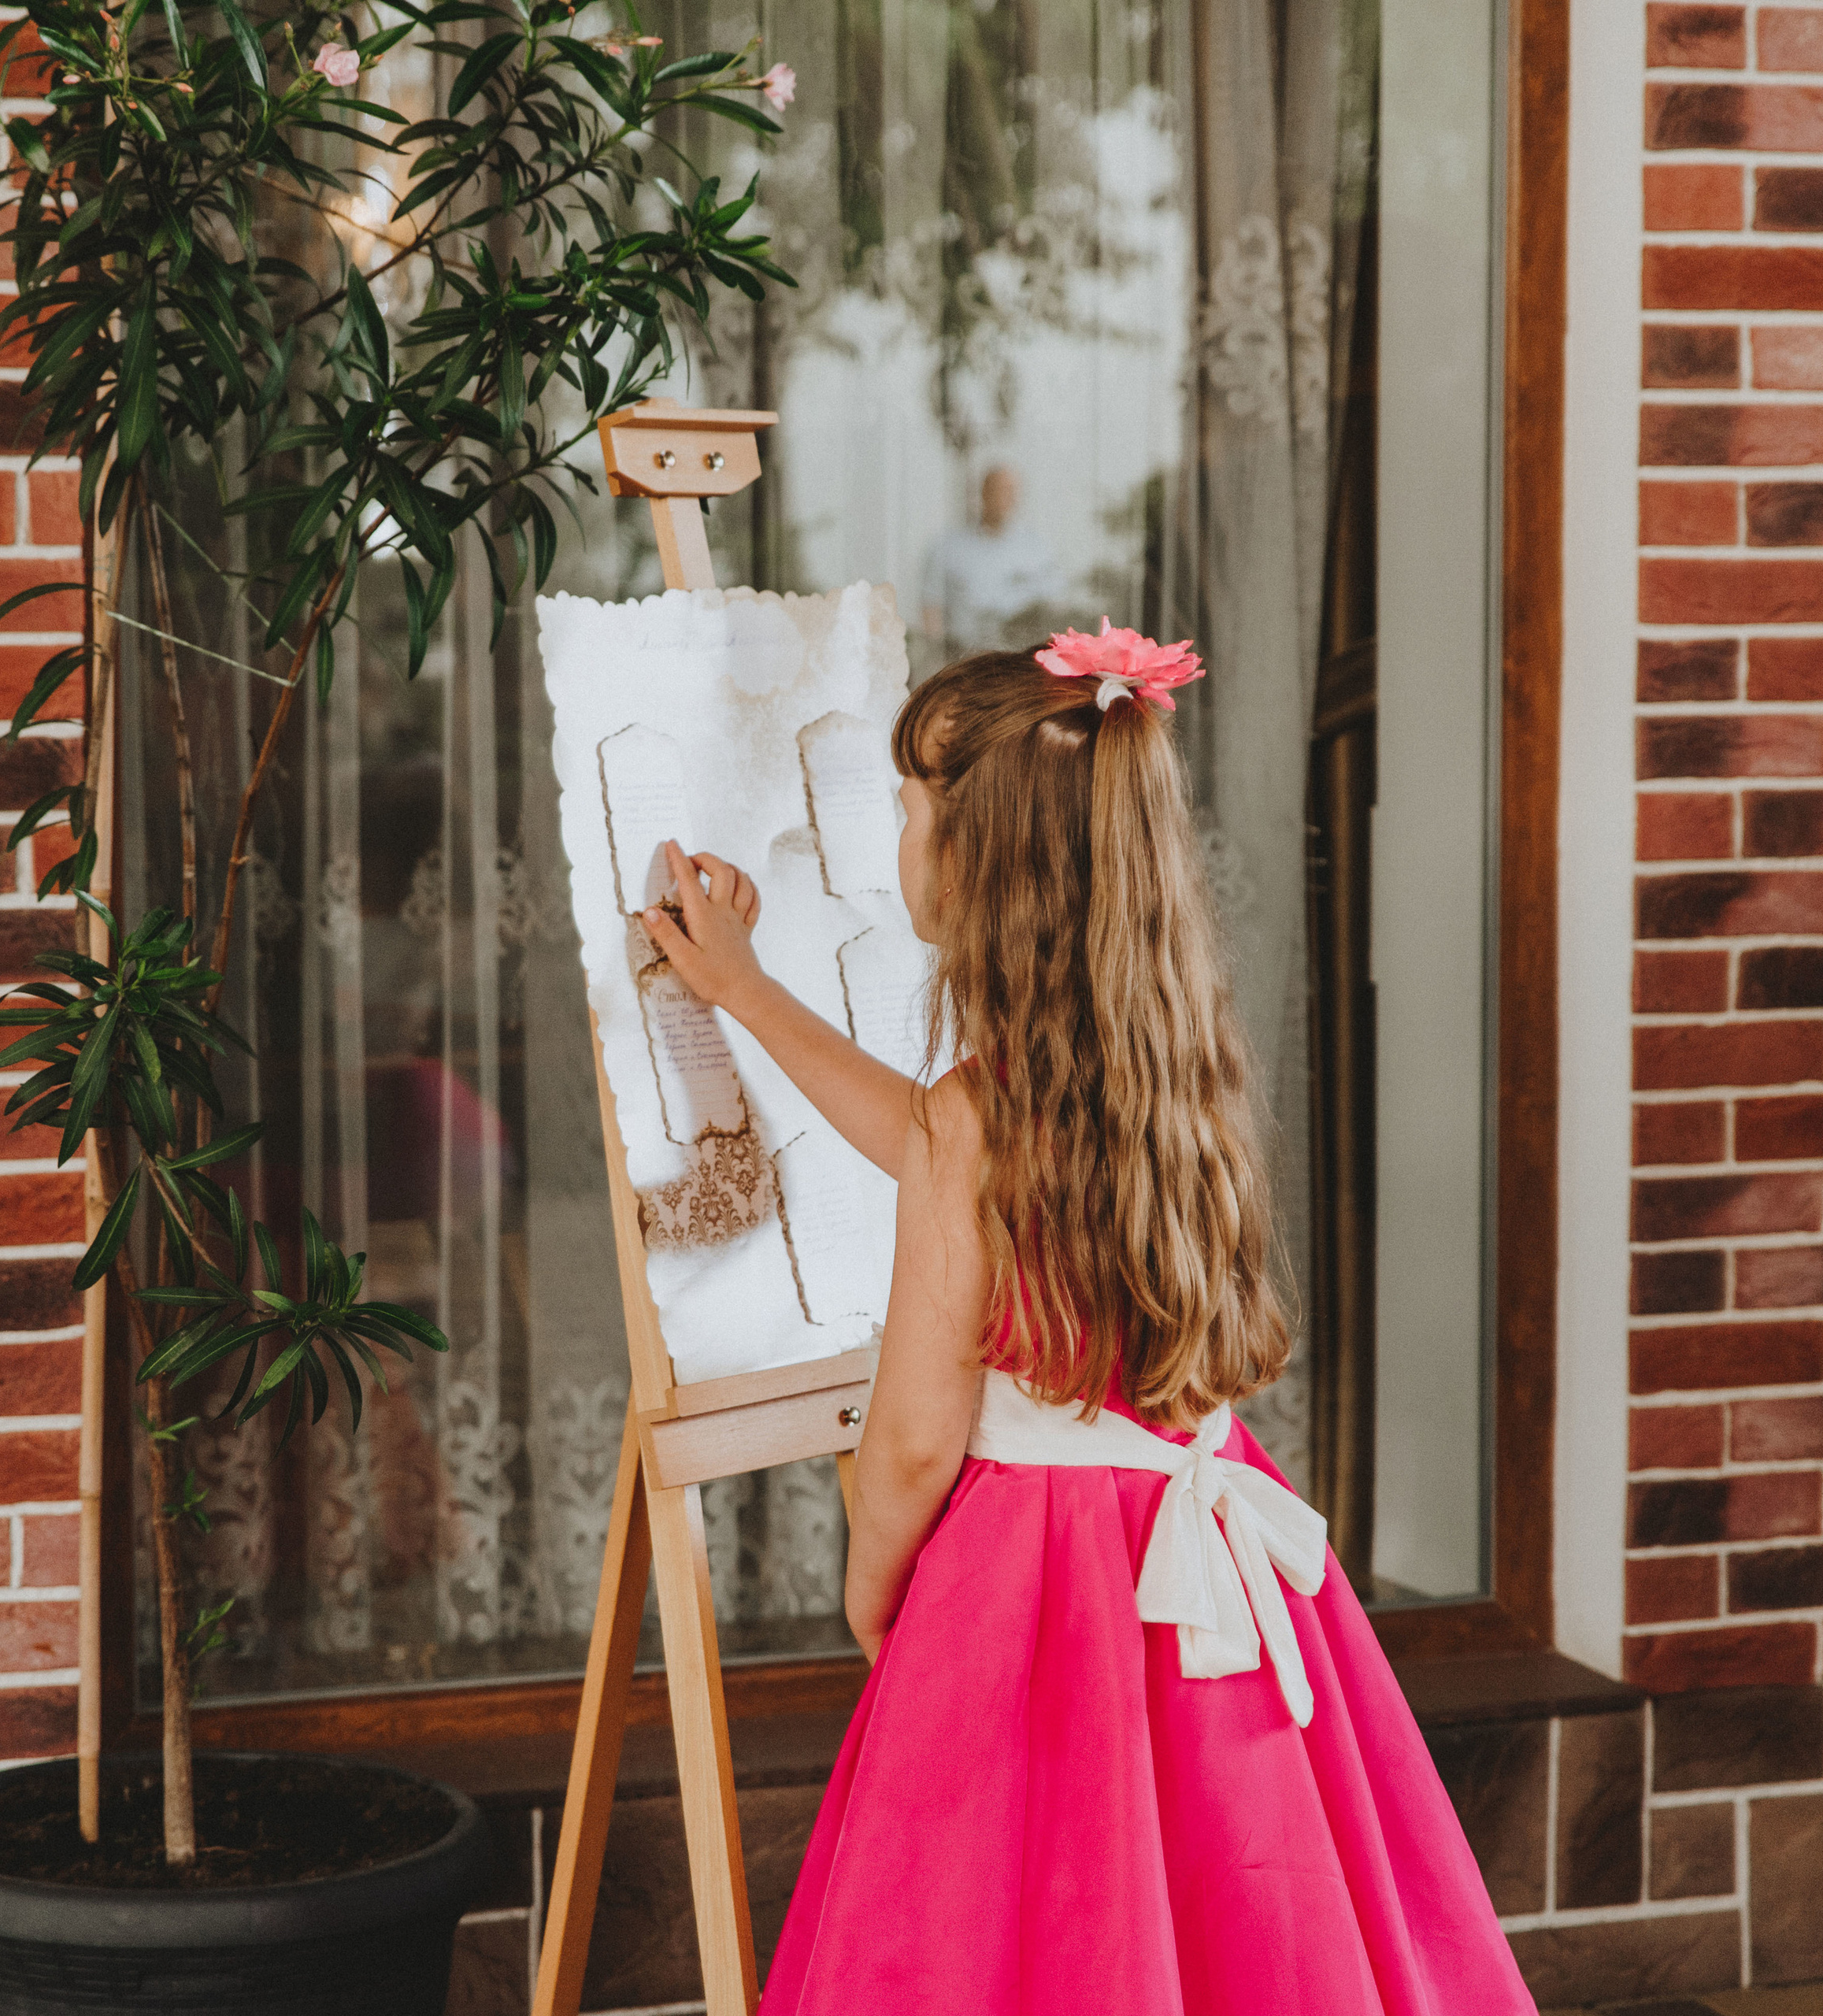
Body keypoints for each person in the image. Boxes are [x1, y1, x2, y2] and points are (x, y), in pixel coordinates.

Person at [638, 627, 1535, 2015]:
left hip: (1036, 1599)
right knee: (1233, 1920)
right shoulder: (1169, 1071)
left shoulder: (981, 1121)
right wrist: (748, 992)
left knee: (1035, 1936)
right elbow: (933, 1144)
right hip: (1210, 1567)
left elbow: (919, 1442)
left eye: (911, 805)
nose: (897, 831)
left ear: (982, 857)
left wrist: (879, 1594)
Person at [918, 463, 1056, 655]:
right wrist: (937, 656)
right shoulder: (949, 547)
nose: (1005, 498)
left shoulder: (1035, 549)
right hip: (964, 659)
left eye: (1010, 491)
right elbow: (931, 606)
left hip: (1019, 660)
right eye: (998, 490)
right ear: (983, 493)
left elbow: (1052, 607)